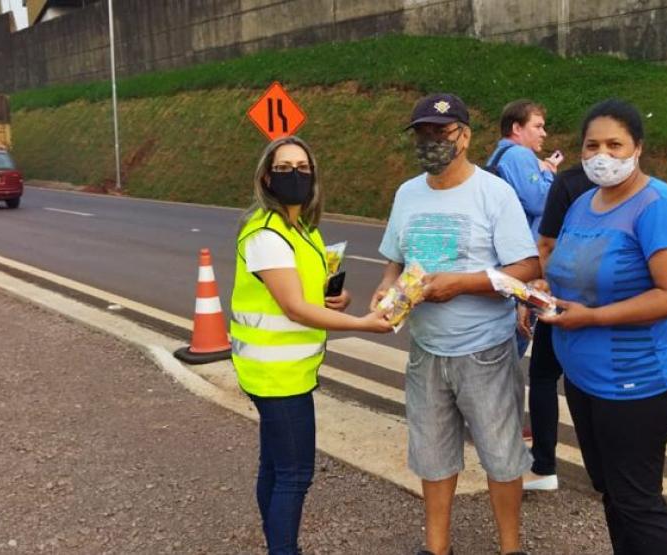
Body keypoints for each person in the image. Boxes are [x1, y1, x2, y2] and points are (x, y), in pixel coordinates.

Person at [371, 93, 541, 555]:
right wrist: (387, 288)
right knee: (432, 455)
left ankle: (511, 548)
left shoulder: (493, 192)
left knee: (502, 456)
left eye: (440, 133)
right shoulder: (408, 193)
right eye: (422, 134)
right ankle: (437, 547)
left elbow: (526, 267)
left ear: (464, 136)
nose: (430, 142)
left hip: (484, 350)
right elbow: (395, 260)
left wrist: (462, 285)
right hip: (425, 350)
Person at [538, 99, 667, 554]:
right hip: (587, 380)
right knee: (612, 491)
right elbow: (566, 266)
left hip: (641, 381)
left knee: (637, 499)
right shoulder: (584, 202)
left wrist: (592, 317)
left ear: (638, 149)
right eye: (592, 145)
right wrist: (539, 290)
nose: (602, 155)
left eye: (615, 144)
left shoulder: (660, 207)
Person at [230, 136, 392, 555]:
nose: (295, 175)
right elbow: (295, 308)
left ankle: (276, 546)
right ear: (267, 177)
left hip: (288, 370)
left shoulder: (302, 229)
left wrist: (339, 300)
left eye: (303, 167)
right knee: (295, 475)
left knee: (276, 466)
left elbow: (310, 296)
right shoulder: (266, 233)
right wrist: (361, 323)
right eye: (284, 168)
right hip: (275, 375)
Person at [517, 161, 596, 492]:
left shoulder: (568, 181)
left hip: (562, 298)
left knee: (544, 376)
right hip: (614, 301)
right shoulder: (644, 189)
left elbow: (546, 244)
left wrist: (535, 294)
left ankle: (544, 465)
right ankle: (605, 469)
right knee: (594, 383)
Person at [486, 99, 560, 240]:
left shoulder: (499, 155)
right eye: (538, 127)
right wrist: (548, 173)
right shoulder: (519, 154)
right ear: (517, 129)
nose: (544, 133)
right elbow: (541, 203)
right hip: (523, 250)